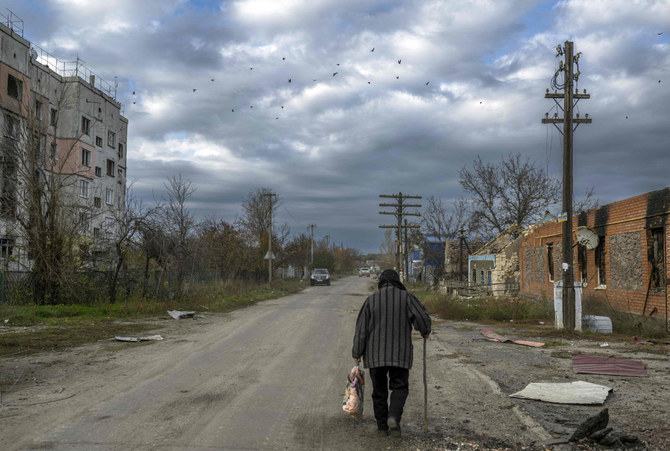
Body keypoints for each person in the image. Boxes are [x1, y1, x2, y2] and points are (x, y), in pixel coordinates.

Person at [352, 269, 431, 437]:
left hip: (375, 356)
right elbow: (422, 318)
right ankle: (394, 417)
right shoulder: (406, 297)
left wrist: (357, 352)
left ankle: (382, 427)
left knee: (379, 391)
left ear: (381, 283)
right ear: (397, 282)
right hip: (400, 355)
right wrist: (425, 330)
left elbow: (361, 330)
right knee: (400, 387)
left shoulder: (371, 300)